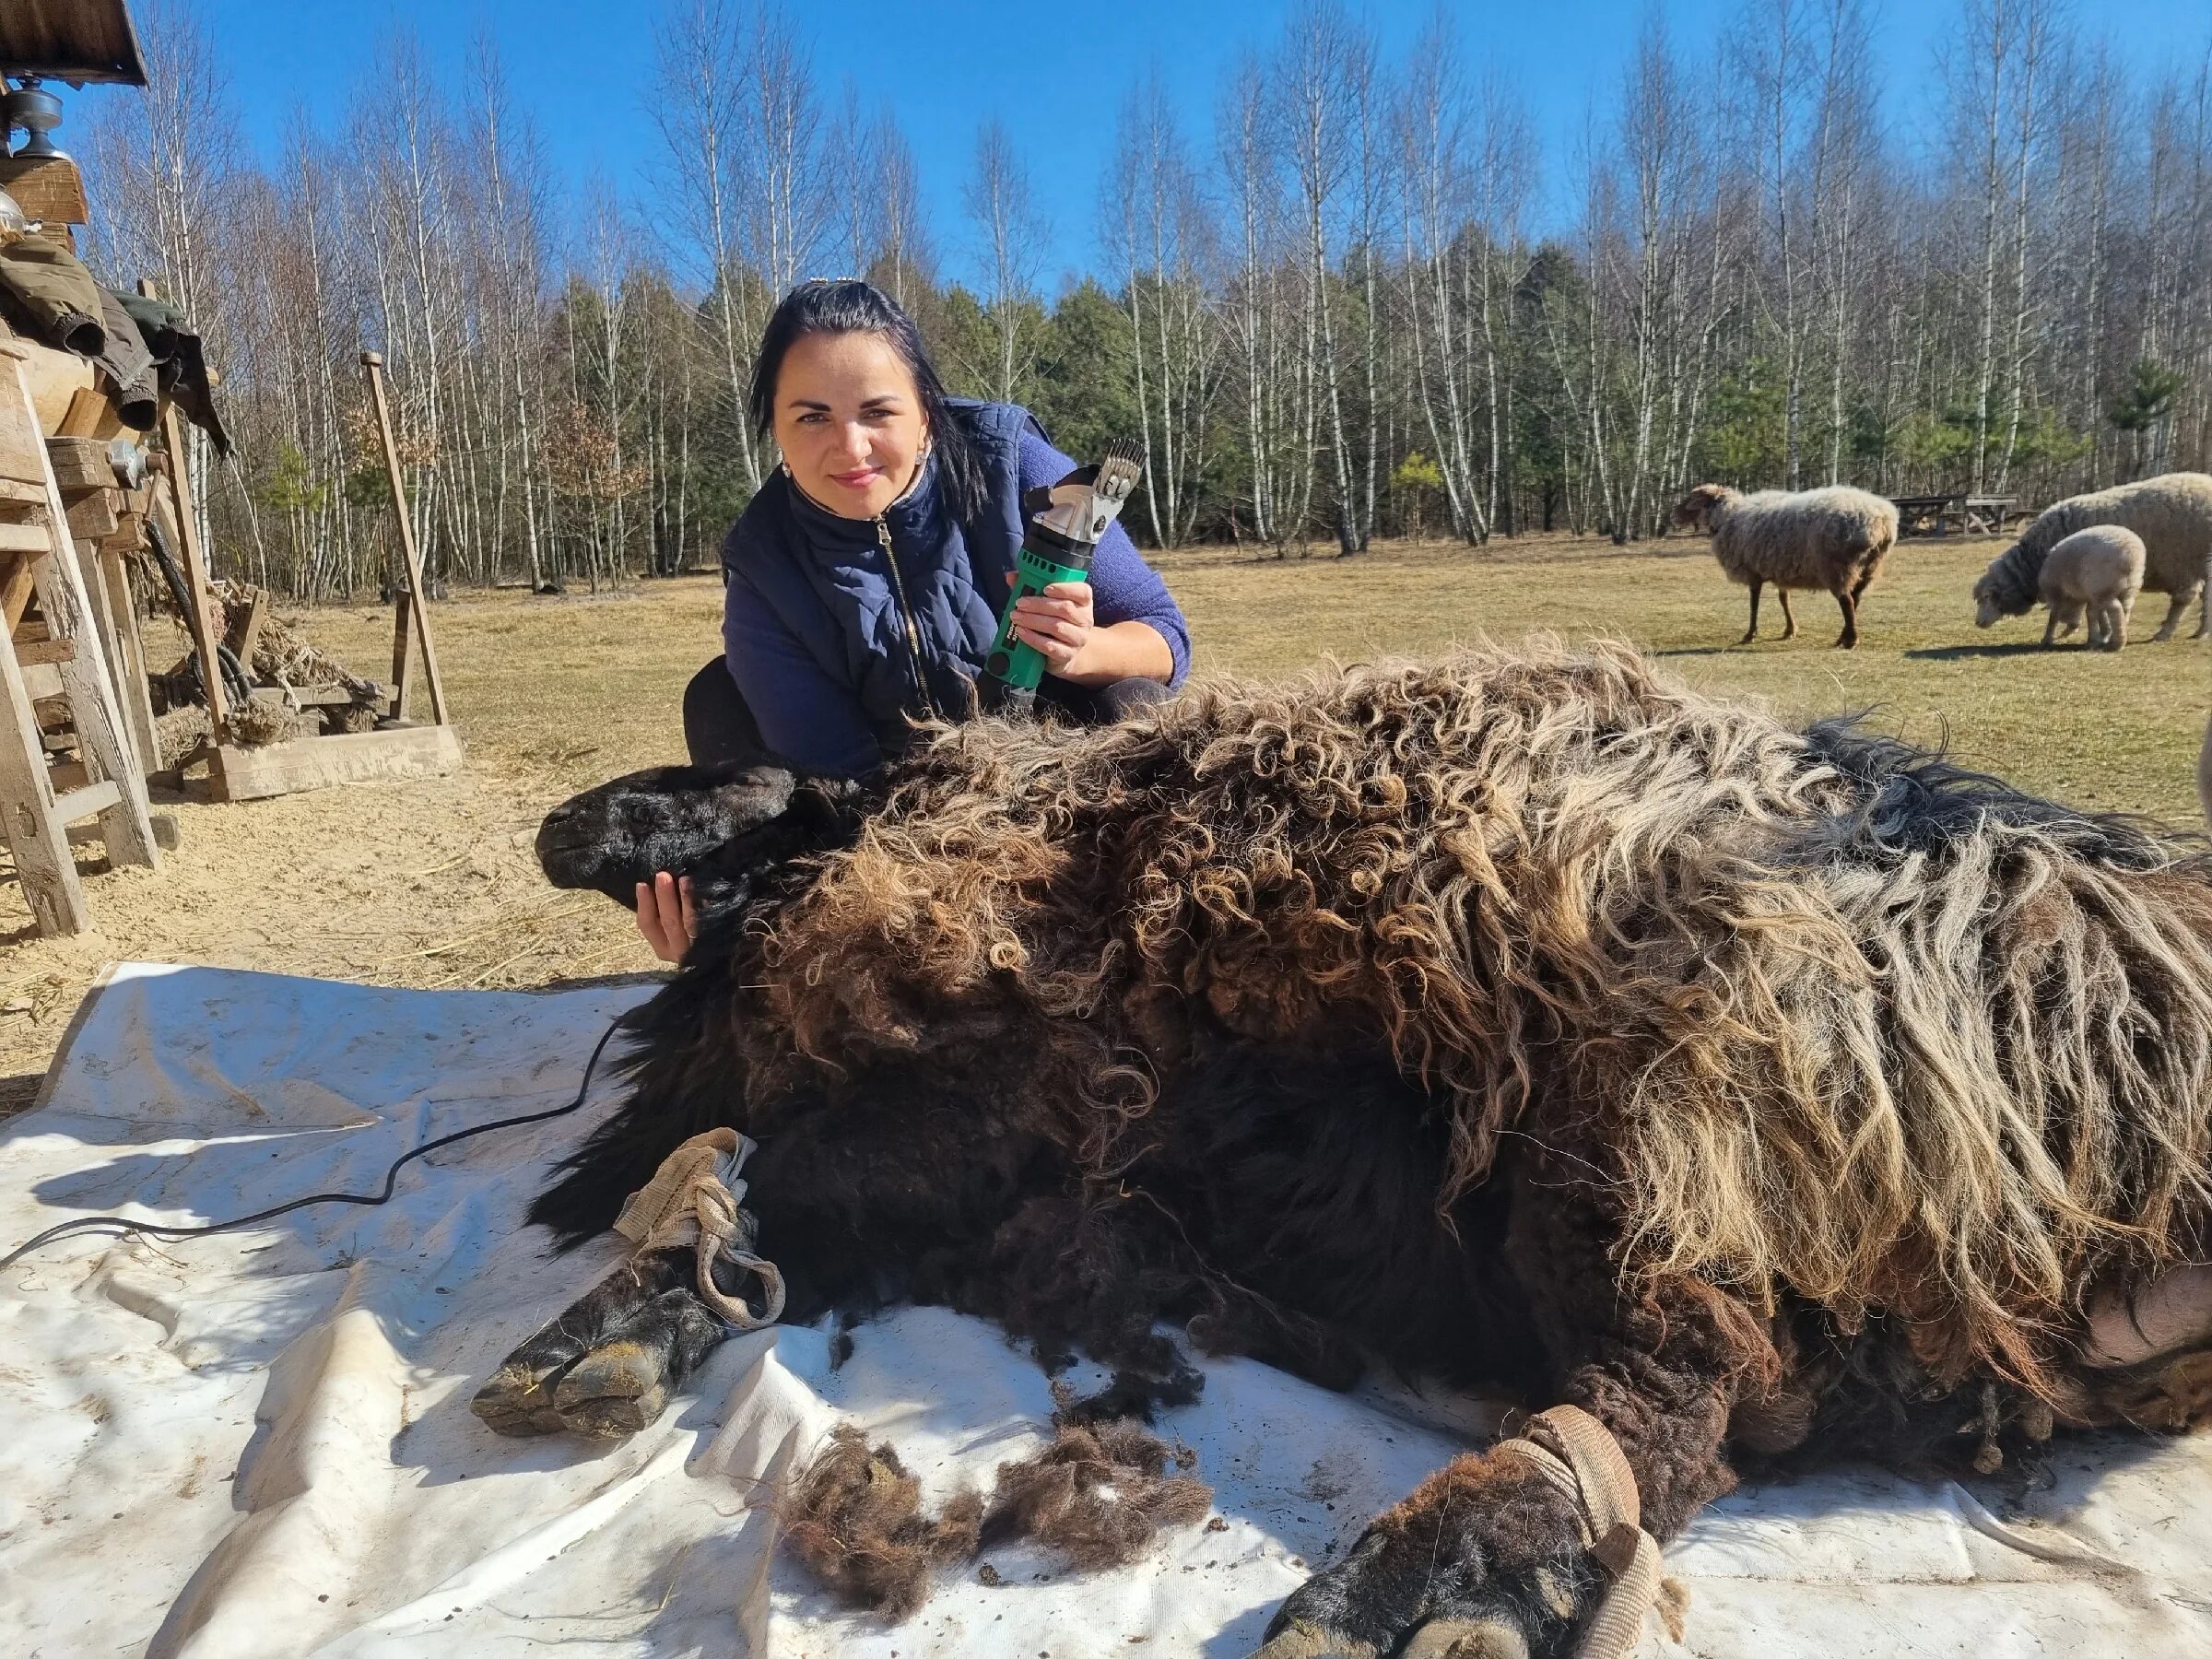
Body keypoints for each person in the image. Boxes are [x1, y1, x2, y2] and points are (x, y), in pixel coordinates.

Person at [637, 278, 1192, 961]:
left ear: (925, 412)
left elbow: (1166, 638)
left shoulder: (1010, 459)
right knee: (717, 700)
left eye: (878, 412)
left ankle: (1151, 942)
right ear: (774, 429)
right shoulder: (764, 563)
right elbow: (838, 788)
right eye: (811, 417)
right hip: (889, 821)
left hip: (1070, 798)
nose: (851, 447)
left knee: (1134, 702)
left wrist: (1086, 649)